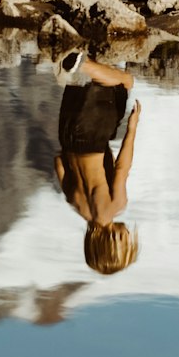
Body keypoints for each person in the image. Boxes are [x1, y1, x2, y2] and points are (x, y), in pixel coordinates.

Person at [54, 50, 141, 274]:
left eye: (126, 243)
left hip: (93, 138)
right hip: (68, 135)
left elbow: (122, 168)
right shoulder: (76, 205)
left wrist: (132, 127)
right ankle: (79, 61)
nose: (129, 236)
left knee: (125, 82)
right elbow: (59, 164)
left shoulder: (115, 207)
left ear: (113, 243)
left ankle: (82, 64)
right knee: (85, 84)